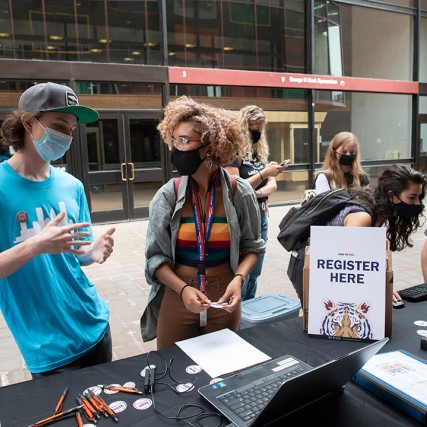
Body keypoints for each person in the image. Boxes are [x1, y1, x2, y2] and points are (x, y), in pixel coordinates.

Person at [0, 82, 116, 378]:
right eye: (58, 125)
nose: (66, 136)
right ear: (28, 122)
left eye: (71, 129)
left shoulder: (71, 186)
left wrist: (93, 252)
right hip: (47, 347)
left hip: (95, 326)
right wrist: (35, 245)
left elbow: (77, 254)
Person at [141, 96, 265, 349]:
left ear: (210, 147)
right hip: (178, 294)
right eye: (173, 140)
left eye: (184, 141)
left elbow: (253, 247)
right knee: (173, 369)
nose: (176, 148)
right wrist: (183, 290)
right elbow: (155, 259)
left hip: (225, 294)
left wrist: (238, 280)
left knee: (222, 372)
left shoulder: (239, 192)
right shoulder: (168, 194)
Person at [289, 163, 425, 304]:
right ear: (391, 195)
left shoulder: (379, 211)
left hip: (325, 267)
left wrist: (384, 286)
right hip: (309, 266)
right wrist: (379, 289)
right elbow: (348, 264)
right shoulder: (362, 217)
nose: (417, 203)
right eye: (412, 197)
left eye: (419, 197)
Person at [224, 105, 286, 300]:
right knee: (244, 270)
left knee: (256, 269)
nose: (258, 131)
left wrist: (256, 192)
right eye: (253, 127)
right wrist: (265, 173)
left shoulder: (258, 152)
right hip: (244, 216)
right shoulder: (233, 153)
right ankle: (238, 312)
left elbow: (272, 186)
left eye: (260, 127)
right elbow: (235, 187)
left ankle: (249, 307)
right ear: (244, 126)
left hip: (261, 213)